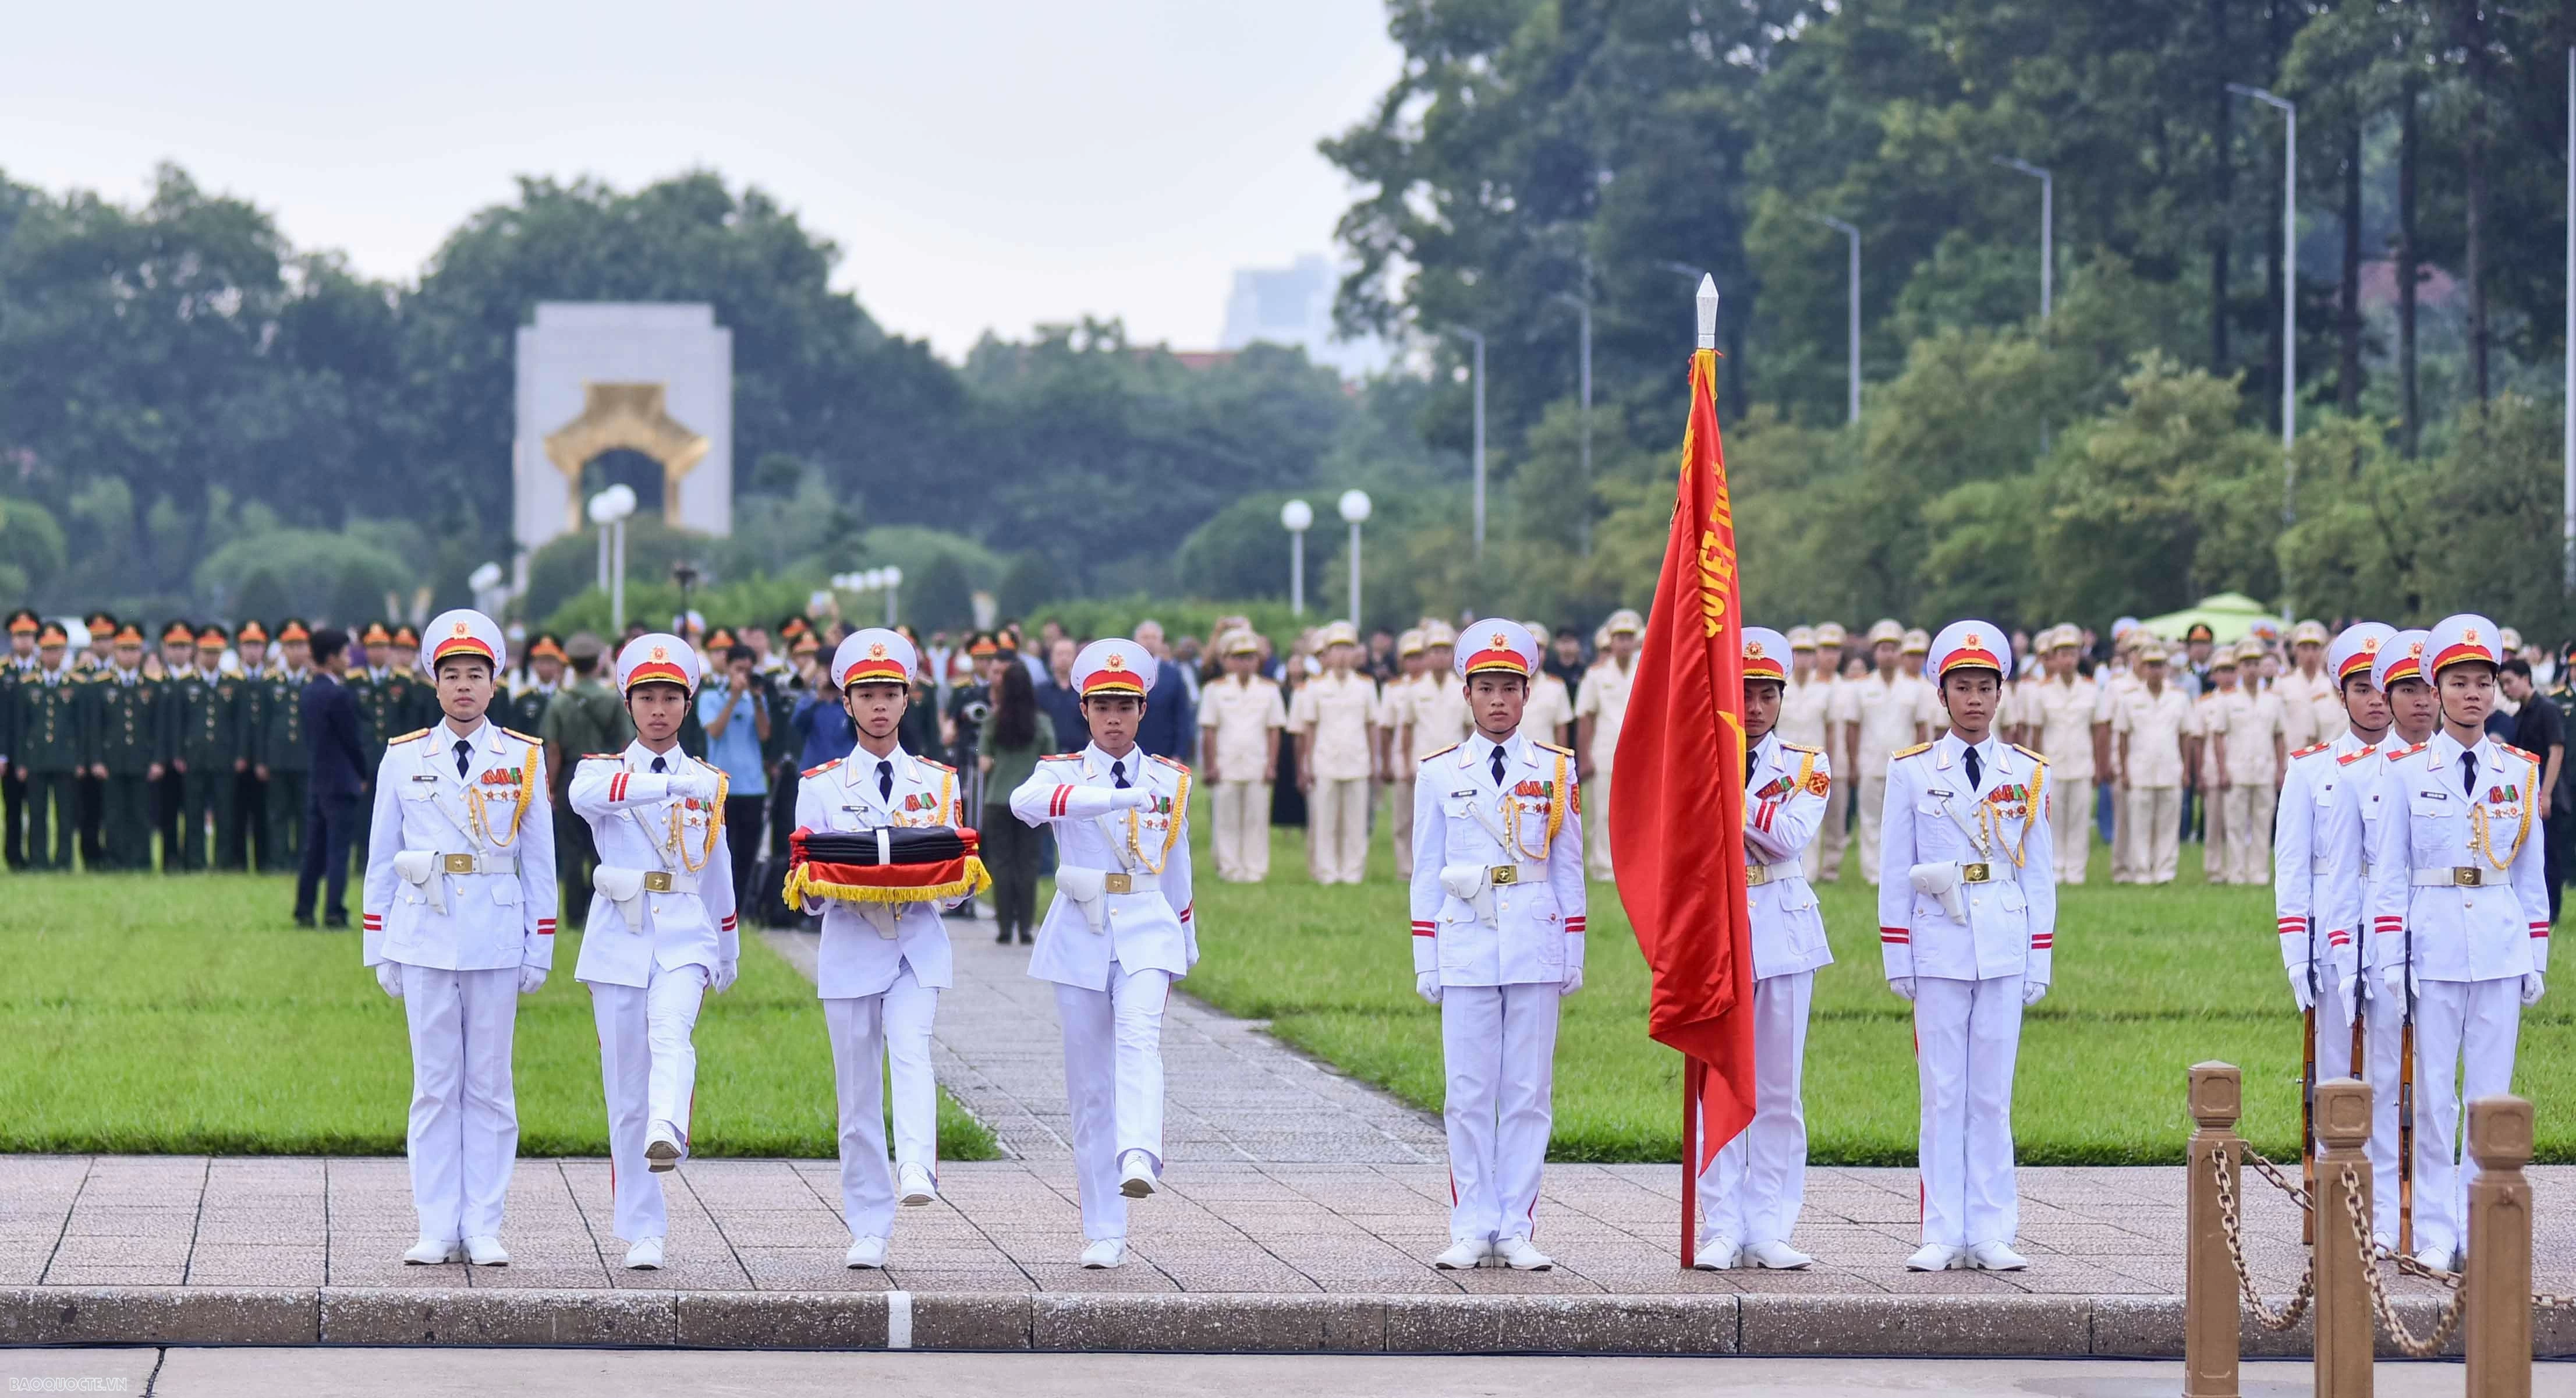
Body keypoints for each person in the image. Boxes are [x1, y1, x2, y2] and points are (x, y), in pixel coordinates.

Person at [360, 610, 558, 1267]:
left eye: (477, 674)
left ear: (496, 683)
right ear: (434, 683)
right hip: (423, 931)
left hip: (497, 931)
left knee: (491, 1084)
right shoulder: (404, 756)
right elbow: (382, 852)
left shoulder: (523, 756)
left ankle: (484, 1222)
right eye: (453, 675)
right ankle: (435, 1222)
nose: (465, 686)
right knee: (435, 1083)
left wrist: (541, 943)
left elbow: (542, 861)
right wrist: (379, 941)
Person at [2362, 615, 2549, 1272]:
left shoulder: (2519, 771)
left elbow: (2531, 874)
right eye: (2459, 682)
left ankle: (2484, 1221)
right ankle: (2438, 1230)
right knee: (2434, 1097)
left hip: (2498, 945)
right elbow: (2387, 875)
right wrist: (2390, 956)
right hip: (2432, 943)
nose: (2473, 694)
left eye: (2484, 682)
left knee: (2490, 1095)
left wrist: (2537, 954)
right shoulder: (2409, 772)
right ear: (2436, 690)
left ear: (2498, 689)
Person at [1008, 638, 1198, 1268]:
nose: (1114, 717)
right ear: (1083, 710)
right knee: (1090, 1088)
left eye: (1125, 705)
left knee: (1140, 1037)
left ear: (1143, 710)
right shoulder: (1062, 772)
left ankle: (1140, 1152)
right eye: (1102, 706)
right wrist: (1112, 799)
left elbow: (1178, 865)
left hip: (1147, 921)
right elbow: (1023, 805)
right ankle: (1104, 1229)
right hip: (1082, 931)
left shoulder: (1170, 778)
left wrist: (1186, 936)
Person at [1878, 621, 2054, 1272]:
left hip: (2005, 938)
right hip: (1940, 941)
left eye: (1985, 687)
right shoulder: (1914, 771)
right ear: (1942, 694)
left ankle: (1991, 1230)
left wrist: (2041, 954)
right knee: (1942, 1091)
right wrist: (1898, 951)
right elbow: (1896, 865)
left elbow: (2040, 871)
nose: (1974, 699)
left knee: (1992, 1094)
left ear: (2001, 693)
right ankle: (1941, 1229)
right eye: (1962, 687)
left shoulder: (2028, 771)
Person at [1409, 619, 1583, 1272]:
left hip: (1535, 933)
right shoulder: (1439, 774)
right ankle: (1471, 1221)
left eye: (1510, 687)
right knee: (1468, 1090)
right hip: (1467, 939)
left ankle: (1516, 1223)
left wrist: (1574, 947)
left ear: (1529, 691)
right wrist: (1426, 953)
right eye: (1487, 688)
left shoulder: (1556, 769)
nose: (1499, 700)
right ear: (1467, 694)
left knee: (1529, 1091)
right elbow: (1425, 870)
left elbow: (1569, 866)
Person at [797, 629, 969, 1268]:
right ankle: (869, 1223)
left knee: (912, 1047)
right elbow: (807, 887)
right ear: (846, 702)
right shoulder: (820, 784)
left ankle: (919, 1164)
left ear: (907, 699)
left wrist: (940, 880)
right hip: (850, 944)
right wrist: (827, 882)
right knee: (857, 1094)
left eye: (889, 693)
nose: (878, 705)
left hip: (918, 944)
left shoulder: (938, 780)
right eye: (865, 693)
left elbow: (955, 886)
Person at [569, 633, 740, 1272]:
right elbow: (585, 800)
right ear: (629, 703)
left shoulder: (710, 781)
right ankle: (643, 1227)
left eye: (671, 697)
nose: (659, 709)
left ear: (688, 705)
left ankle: (670, 1126)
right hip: (620, 935)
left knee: (672, 1033)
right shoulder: (601, 770)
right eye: (648, 698)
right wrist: (662, 789)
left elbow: (718, 868)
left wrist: (729, 946)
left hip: (685, 931)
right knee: (623, 1090)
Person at [1693, 628, 1830, 1272]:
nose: (1752, 707)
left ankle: (1770, 1224)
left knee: (1779, 1089)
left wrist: (1724, 786)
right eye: (1742, 693)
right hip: (1717, 931)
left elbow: (1788, 837)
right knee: (1718, 1082)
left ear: (1781, 699)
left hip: (1782, 927)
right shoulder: (1696, 757)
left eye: (1765, 695)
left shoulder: (1807, 764)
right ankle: (1721, 1224)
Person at [2273, 622, 2392, 1184]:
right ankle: (2333, 1187)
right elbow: (2293, 865)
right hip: (2329, 937)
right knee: (2335, 1071)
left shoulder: (2417, 765)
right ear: (2340, 695)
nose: (2374, 701)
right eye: (2360, 688)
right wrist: (2295, 949)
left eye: (2382, 687)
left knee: (2394, 1074)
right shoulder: (2309, 767)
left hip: (2396, 940)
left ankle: (2396, 1194)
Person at [539, 635, 626, 933]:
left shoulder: (560, 700)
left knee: (572, 847)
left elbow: (553, 748)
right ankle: (603, 908)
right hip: (606, 773)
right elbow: (626, 742)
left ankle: (575, 915)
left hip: (570, 774)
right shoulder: (612, 699)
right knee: (603, 848)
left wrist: (550, 786)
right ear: (599, 662)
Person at [294, 627, 371, 929]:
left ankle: (304, 908)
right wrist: (362, 773)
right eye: (344, 653)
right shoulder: (338, 695)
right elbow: (352, 741)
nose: (349, 658)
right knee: (338, 851)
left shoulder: (309, 692)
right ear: (331, 657)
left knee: (314, 849)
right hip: (341, 782)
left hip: (318, 779)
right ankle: (334, 910)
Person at [1290, 620, 1377, 885]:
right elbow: (1309, 729)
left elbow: (1371, 725)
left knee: (1355, 822)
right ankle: (1327, 873)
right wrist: (1305, 765)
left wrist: (1375, 762)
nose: (1342, 655)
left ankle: (1352, 873)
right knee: (1325, 821)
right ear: (1326, 654)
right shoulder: (1315, 687)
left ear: (1355, 654)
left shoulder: (1366, 685)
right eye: (1336, 649)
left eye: (1347, 649)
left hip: (1357, 759)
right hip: (1324, 759)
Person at [978, 659, 1055, 943]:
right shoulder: (1043, 722)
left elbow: (985, 763)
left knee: (1002, 863)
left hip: (998, 799)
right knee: (1029, 863)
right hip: (1032, 803)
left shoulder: (992, 721)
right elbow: (1050, 762)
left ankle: (1003, 927)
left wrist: (997, 760)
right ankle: (1025, 927)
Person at [1848, 619, 1930, 886]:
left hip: (1904, 765)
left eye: (1893, 649)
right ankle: (1873, 873)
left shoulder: (1915, 688)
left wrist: (1919, 762)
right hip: (1870, 762)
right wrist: (1852, 764)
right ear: (1875, 653)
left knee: (1902, 821)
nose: (1888, 654)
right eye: (1883, 649)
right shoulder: (1862, 687)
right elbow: (1853, 728)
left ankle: (1899, 871)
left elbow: (1921, 728)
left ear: (1900, 653)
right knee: (1871, 820)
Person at [2025, 627, 2109, 884]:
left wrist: (2099, 764)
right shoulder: (2043, 690)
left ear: (2079, 656)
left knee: (2079, 818)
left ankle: (2076, 871)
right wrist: (2036, 766)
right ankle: (2055, 868)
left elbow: (2099, 730)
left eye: (2072, 653)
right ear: (2054, 657)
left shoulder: (2091, 689)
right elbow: (2036, 733)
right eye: (2062, 654)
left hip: (2082, 761)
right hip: (2052, 763)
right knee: (2053, 819)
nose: (2067, 659)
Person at [164, 625, 247, 873]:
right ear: (198, 652)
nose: (211, 657)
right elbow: (178, 722)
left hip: (224, 756)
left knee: (225, 812)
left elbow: (241, 724)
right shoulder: (185, 684)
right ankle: (195, 860)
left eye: (215, 652)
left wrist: (241, 754)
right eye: (206, 652)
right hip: (194, 756)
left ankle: (223, 861)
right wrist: (178, 753)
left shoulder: (234, 684)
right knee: (193, 812)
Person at [2111, 642, 2195, 885]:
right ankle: (2142, 872)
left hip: (2170, 767)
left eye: (2160, 666)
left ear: (2167, 668)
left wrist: (2186, 769)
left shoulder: (2179, 698)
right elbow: (2123, 735)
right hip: (2140, 768)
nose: (2156, 671)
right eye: (2151, 666)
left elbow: (2185, 735)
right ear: (2144, 668)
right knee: (2140, 824)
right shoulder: (2130, 698)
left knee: (2168, 824)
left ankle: (2165, 871)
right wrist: (2124, 771)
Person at [697, 643, 772, 915]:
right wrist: (733, 698)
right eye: (738, 670)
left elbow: (765, 735)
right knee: (721, 853)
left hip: (752, 785)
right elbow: (714, 731)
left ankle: (740, 909)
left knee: (747, 853)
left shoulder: (755, 699)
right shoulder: (710, 697)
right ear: (728, 669)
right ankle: (719, 908)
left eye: (748, 671)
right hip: (722, 786)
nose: (743, 675)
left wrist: (755, 700)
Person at [86, 623, 162, 872]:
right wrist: (96, 760)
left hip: (142, 759)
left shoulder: (152, 686)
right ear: (116, 652)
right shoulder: (101, 685)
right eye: (124, 649)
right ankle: (116, 860)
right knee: (114, 814)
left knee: (141, 814)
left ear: (141, 653)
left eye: (134, 649)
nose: (129, 655)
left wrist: (158, 760)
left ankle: (141, 861)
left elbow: (157, 728)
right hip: (112, 759)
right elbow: (95, 727)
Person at [2499, 657, 2568, 922]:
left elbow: (2556, 750)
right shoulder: (2519, 716)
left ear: (2525, 679)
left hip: (2549, 793)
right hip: (2528, 795)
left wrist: (2547, 793)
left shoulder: (2547, 709)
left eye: (2509, 682)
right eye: (2502, 684)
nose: (2506, 689)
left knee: (2550, 857)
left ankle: (2552, 915)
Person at [1574, 610, 1640, 884]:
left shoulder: (1647, 668)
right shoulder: (1596, 675)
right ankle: (1604, 868)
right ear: (1610, 641)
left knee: (1639, 813)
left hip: (1640, 755)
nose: (1624, 643)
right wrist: (1585, 756)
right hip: (1605, 752)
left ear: (1636, 640)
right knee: (1603, 812)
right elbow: (1586, 716)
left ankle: (1638, 865)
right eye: (1619, 638)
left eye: (1629, 637)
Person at [13, 621, 86, 870]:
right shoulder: (28, 684)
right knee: (37, 814)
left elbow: (81, 727)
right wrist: (21, 761)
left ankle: (64, 860)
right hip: (36, 758)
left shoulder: (76, 684)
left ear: (64, 652)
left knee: (65, 815)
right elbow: (21, 728)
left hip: (66, 758)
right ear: (40, 652)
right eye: (47, 650)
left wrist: (80, 760)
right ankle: (38, 860)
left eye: (57, 649)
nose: (52, 655)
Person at [2221, 638, 2287, 887]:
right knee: (2236, 824)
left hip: (2264, 768)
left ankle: (2259, 873)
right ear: (2238, 668)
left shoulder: (2273, 700)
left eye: (2255, 664)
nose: (2251, 669)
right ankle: (2236, 873)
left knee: (2262, 822)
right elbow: (2219, 736)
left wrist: (2280, 769)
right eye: (2246, 664)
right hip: (2236, 767)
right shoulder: (2228, 700)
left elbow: (2279, 736)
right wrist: (2221, 769)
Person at [1377, 629, 1427, 880]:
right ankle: (1405, 869)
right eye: (1410, 657)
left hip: (1432, 758)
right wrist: (1386, 762)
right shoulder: (1393, 689)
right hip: (1403, 761)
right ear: (1401, 660)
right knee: (1403, 820)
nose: (1415, 662)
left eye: (1420, 656)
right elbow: (1386, 730)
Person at [1131, 620, 1198, 763]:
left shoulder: (1174, 674)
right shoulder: (1126, 673)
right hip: (1131, 749)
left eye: (1154, 638)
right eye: (1145, 637)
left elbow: (1182, 716)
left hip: (1166, 751)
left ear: (1161, 642)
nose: (1150, 642)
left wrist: (1180, 753)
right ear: (1136, 641)